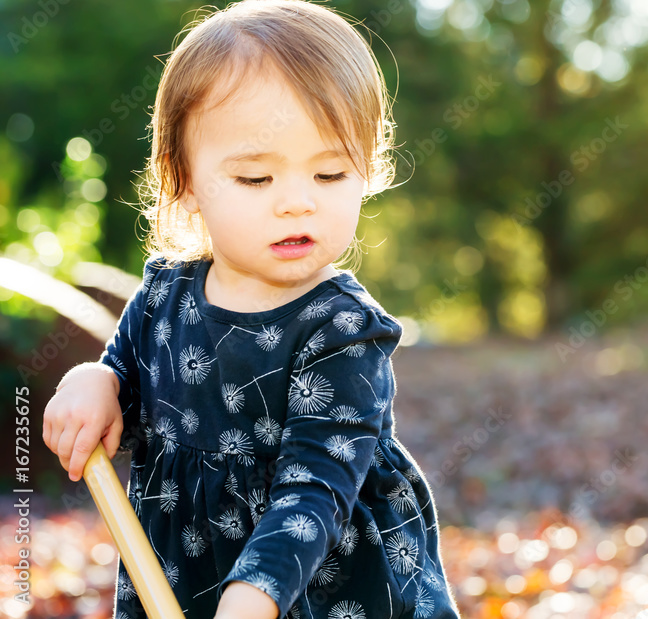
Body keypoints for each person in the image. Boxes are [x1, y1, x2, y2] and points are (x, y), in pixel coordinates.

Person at [41, 1, 462, 617]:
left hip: (326, 583)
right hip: (186, 572)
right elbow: (125, 382)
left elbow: (317, 484)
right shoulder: (163, 298)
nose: (297, 203)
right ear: (183, 180)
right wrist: (92, 380)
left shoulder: (343, 329)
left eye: (330, 173)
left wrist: (256, 592)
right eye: (256, 180)